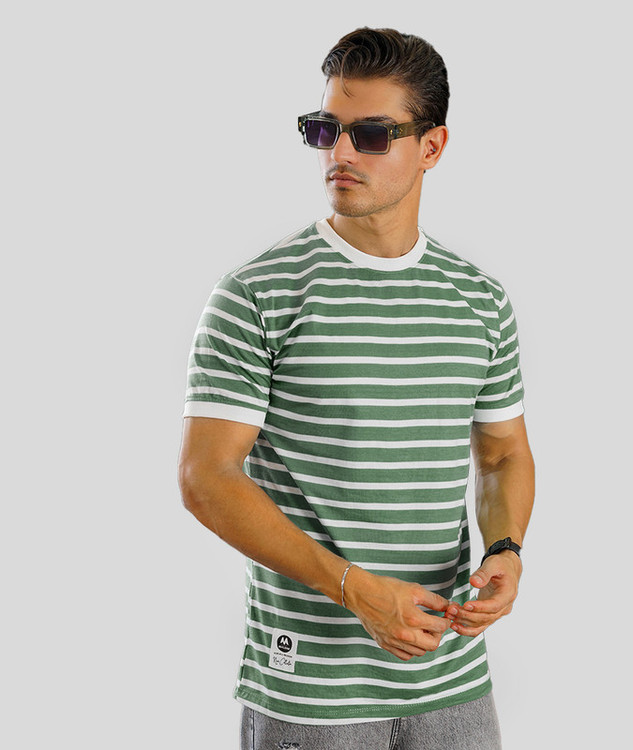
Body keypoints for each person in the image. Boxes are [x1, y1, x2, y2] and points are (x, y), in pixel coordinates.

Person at [178, 26, 535, 750]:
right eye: (325, 130)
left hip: (453, 681)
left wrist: (506, 548)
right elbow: (206, 478)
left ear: (431, 147)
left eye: (371, 134)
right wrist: (353, 590)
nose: (339, 153)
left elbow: (502, 453)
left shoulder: (480, 300)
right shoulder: (258, 294)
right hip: (312, 692)